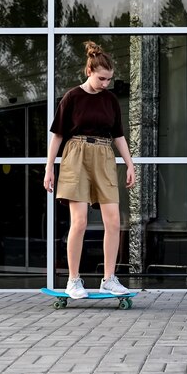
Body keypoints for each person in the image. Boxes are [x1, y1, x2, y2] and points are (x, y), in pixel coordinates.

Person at [43, 40, 135, 299]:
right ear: (89, 72)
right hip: (76, 155)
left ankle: (109, 279)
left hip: (105, 155)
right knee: (80, 221)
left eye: (109, 80)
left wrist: (129, 164)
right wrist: (49, 168)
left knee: (114, 221)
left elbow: (118, 135)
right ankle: (73, 280)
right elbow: (58, 136)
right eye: (102, 78)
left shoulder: (111, 100)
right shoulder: (72, 97)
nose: (106, 84)